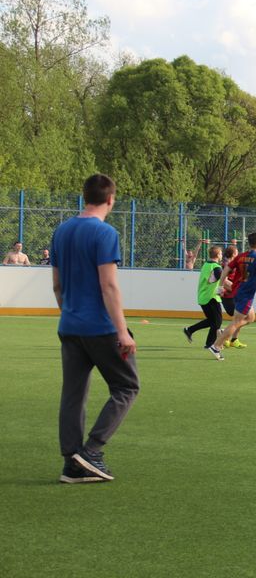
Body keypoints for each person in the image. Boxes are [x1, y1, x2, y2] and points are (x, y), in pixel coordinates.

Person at [50, 174, 139, 483]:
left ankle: (71, 463)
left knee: (73, 394)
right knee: (127, 386)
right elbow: (108, 286)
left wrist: (70, 313)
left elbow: (57, 286)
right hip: (100, 327)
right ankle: (91, 451)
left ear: (84, 196)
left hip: (70, 325)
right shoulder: (105, 233)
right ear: (111, 199)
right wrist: (122, 331)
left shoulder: (61, 231)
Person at [210, 233, 256, 359]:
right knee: (237, 322)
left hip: (238, 291)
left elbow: (226, 269)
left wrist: (220, 286)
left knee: (251, 318)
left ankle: (225, 331)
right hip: (245, 294)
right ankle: (216, 345)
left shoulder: (241, 256)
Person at [183, 246, 224, 351]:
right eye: (221, 253)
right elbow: (224, 280)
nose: (222, 255)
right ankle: (210, 344)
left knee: (212, 321)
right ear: (217, 255)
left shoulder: (206, 265)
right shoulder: (216, 267)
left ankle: (190, 330)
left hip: (203, 296)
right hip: (211, 297)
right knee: (217, 322)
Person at [218, 245, 246, 348]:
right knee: (241, 316)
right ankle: (225, 334)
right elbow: (224, 281)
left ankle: (233, 339)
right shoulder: (226, 264)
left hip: (233, 295)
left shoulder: (234, 264)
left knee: (241, 316)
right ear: (233, 253)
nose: (238, 253)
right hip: (228, 296)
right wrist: (236, 289)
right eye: (237, 251)